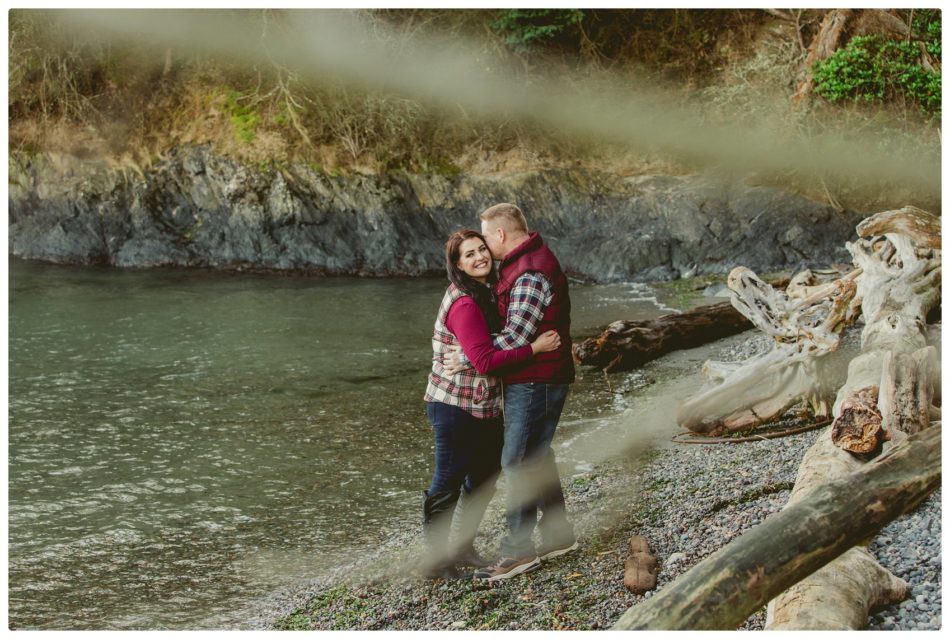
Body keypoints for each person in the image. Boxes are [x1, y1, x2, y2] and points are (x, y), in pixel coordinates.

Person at [421, 229, 561, 579]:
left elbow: (485, 351)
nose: (480, 256)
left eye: (481, 249)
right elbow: (484, 362)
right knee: (447, 482)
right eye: (469, 254)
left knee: (483, 478)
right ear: (457, 264)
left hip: (482, 406)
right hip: (453, 406)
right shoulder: (465, 303)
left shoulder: (484, 293)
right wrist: (535, 349)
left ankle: (464, 547)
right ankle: (437, 561)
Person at [449, 203, 578, 582]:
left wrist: (472, 355)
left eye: (485, 239)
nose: (485, 249)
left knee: (517, 461)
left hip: (537, 377)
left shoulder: (530, 272)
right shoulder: (523, 264)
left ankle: (519, 551)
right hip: (537, 374)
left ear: (500, 235)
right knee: (537, 455)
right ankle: (558, 535)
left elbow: (515, 338)